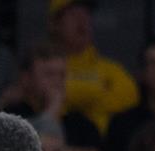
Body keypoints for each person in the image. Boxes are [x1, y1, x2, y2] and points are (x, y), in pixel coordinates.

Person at [50, 0, 137, 134]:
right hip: (52, 147)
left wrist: (69, 96)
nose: (82, 20)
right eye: (73, 14)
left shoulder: (111, 69)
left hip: (101, 148)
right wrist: (98, 92)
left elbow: (130, 96)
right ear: (55, 24)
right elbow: (41, 96)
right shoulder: (45, 67)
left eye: (86, 13)